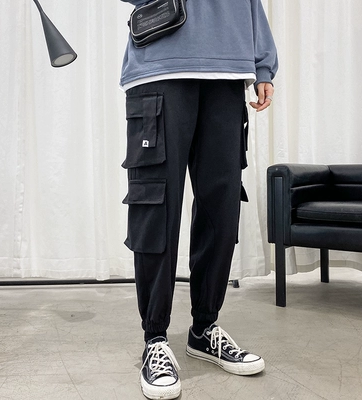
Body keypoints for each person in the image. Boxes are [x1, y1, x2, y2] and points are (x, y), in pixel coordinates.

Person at [120, 1, 278, 398]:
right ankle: (155, 338)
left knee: (220, 208)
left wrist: (262, 64)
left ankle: (204, 328)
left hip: (228, 72)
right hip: (161, 66)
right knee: (156, 207)